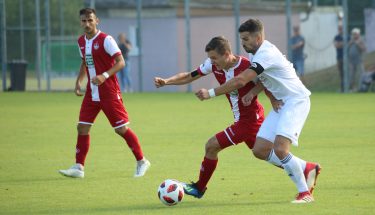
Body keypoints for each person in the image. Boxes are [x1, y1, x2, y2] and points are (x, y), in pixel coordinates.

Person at [154, 36, 317, 201]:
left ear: (226, 54)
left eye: (215, 58)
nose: (212, 62)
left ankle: (199, 188)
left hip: (249, 121)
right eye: (210, 58)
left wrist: (269, 97)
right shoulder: (213, 64)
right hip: (245, 120)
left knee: (211, 146)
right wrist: (166, 81)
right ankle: (306, 167)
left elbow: (265, 80)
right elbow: (190, 75)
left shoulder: (246, 66)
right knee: (265, 153)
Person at [195, 19, 321, 203]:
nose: (242, 43)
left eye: (245, 38)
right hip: (282, 103)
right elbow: (263, 78)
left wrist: (211, 93)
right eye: (241, 38)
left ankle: (305, 193)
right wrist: (254, 92)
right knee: (260, 149)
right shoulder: (256, 54)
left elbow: (240, 81)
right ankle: (307, 167)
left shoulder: (265, 54)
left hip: (296, 101)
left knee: (280, 149)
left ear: (258, 37)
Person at [59, 8, 150, 179]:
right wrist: (79, 81)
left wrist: (104, 75)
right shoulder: (80, 41)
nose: (87, 24)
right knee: (82, 127)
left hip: (108, 91)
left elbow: (121, 62)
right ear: (80, 22)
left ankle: (141, 161)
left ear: (96, 21)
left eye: (90, 20)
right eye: (83, 21)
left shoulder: (106, 40)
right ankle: (79, 167)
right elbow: (85, 63)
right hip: (91, 93)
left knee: (121, 129)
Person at [334, 25, 344, 92]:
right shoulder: (337, 37)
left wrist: (340, 44)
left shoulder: (347, 36)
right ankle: (342, 88)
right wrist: (342, 43)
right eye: (339, 29)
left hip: (346, 58)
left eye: (341, 29)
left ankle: (349, 88)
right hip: (339, 58)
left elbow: (348, 44)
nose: (340, 30)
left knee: (347, 74)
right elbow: (336, 45)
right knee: (341, 74)